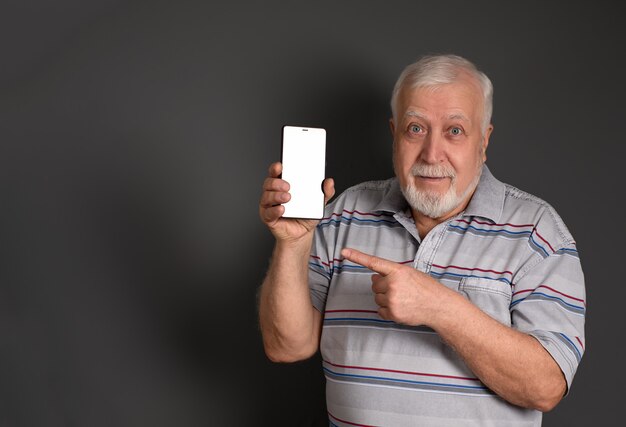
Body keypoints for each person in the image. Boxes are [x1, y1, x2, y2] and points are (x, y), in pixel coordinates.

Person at [258, 54, 585, 426]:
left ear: (484, 139)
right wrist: (292, 243)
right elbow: (286, 346)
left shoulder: (537, 232)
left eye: (455, 131)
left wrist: (438, 307)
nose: (431, 154)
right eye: (416, 128)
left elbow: (545, 387)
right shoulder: (344, 212)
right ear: (394, 132)